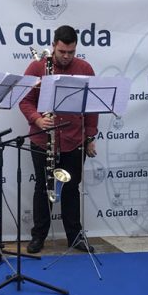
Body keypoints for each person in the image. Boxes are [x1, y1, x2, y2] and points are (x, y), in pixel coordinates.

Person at [18, 25, 98, 254]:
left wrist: (90, 136)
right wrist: (37, 120)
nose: (66, 56)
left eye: (71, 52)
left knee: (72, 189)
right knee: (43, 189)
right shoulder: (37, 66)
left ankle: (75, 237)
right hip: (43, 140)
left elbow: (92, 107)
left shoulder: (84, 68)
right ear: (53, 46)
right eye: (62, 51)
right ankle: (38, 237)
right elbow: (25, 100)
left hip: (74, 140)